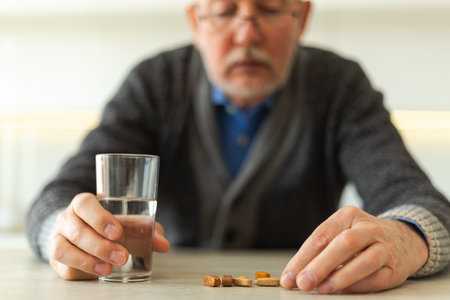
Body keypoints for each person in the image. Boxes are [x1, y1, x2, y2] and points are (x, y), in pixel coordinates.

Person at [26, 0, 450, 294]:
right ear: (195, 22)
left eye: (268, 9)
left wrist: (404, 238)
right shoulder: (154, 84)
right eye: (226, 11)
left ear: (301, 18)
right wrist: (63, 235)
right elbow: (54, 200)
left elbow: (421, 202)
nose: (247, 33)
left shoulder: (339, 86)